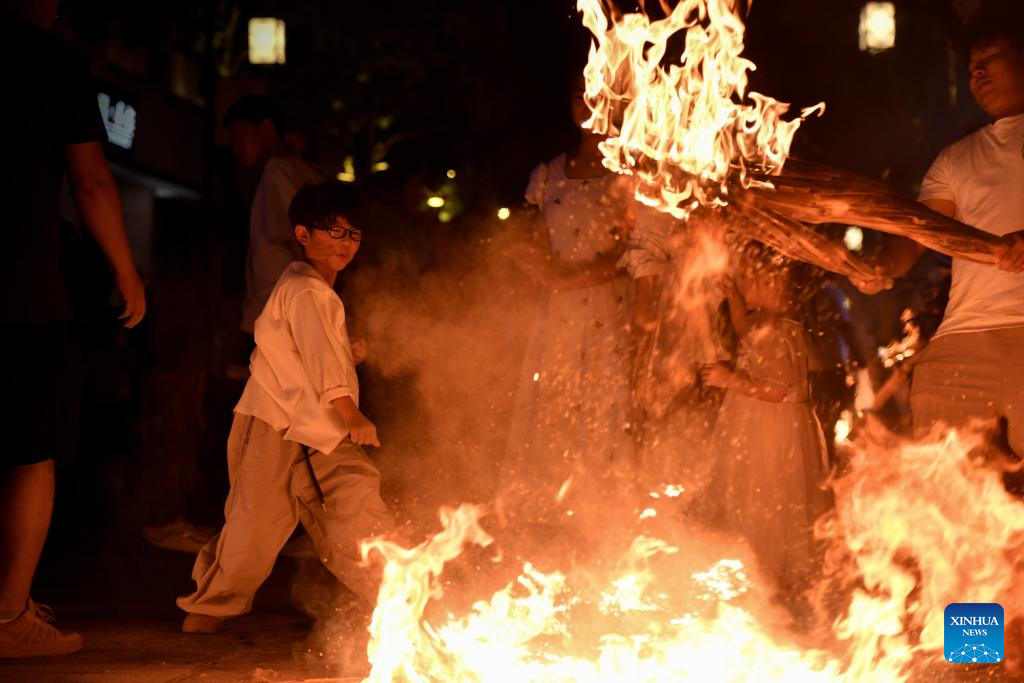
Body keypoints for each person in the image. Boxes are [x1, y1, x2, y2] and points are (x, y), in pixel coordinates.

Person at [177, 182, 394, 635]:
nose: (345, 243)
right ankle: (211, 607)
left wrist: (348, 355)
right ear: (303, 234)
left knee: (357, 510)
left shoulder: (313, 289)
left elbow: (313, 353)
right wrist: (352, 413)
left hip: (322, 428)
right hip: (275, 423)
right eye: (334, 232)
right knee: (255, 524)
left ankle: (397, 600)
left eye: (354, 234)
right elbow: (320, 358)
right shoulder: (305, 288)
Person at [0, 0, 146, 658]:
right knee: (30, 451)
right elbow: (90, 182)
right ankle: (8, 615)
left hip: (24, 289)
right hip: (20, 292)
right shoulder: (51, 61)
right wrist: (126, 270)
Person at [851, 21, 1024, 454]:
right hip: (962, 341)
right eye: (971, 67)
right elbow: (919, 234)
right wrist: (882, 264)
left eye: (990, 58)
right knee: (943, 479)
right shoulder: (956, 158)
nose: (977, 72)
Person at [498, 76, 635, 528]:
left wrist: (573, 279)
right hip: (557, 310)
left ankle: (602, 516)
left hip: (606, 309)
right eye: (579, 94)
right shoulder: (549, 174)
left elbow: (632, 251)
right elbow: (538, 241)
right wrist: (534, 267)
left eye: (596, 95)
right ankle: (552, 515)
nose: (586, 103)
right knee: (555, 399)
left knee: (602, 402)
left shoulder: (628, 174)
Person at [702, 252, 830, 598]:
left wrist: (730, 379)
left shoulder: (774, 333)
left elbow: (776, 390)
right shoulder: (774, 324)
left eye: (747, 279)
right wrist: (733, 296)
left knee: (765, 496)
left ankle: (770, 578)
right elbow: (744, 330)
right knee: (769, 497)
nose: (742, 282)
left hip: (768, 429)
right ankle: (768, 575)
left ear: (768, 283)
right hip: (775, 425)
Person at [223, 95, 325, 340]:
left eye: (239, 135)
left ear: (266, 128)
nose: (235, 147)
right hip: (291, 312)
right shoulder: (302, 170)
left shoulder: (277, 169)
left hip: (280, 316)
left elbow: (300, 240)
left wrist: (316, 307)